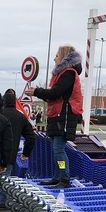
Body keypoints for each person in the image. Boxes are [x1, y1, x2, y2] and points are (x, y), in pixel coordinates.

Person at [25, 45, 83, 189]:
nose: (54, 58)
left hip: (63, 116)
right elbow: (54, 96)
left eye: (57, 55)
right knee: (57, 149)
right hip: (58, 116)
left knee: (59, 150)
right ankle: (58, 177)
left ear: (63, 57)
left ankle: (64, 178)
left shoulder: (68, 73)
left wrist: (37, 91)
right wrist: (39, 93)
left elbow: (56, 93)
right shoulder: (63, 74)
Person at [0, 91, 36, 209]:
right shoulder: (20, 116)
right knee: (5, 177)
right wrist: (26, 153)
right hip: (10, 152)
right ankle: (1, 201)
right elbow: (30, 136)